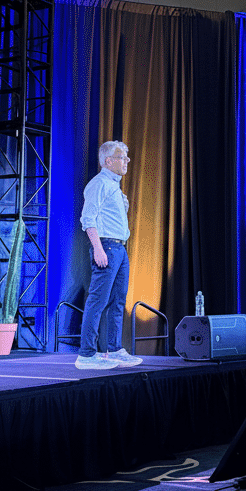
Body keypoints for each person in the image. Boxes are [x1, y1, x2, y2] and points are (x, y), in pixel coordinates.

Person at [75, 140, 143, 370]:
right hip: (107, 247)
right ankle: (86, 354)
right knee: (98, 300)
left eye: (127, 156)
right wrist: (98, 248)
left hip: (120, 247)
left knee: (117, 301)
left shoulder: (113, 186)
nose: (127, 160)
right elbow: (88, 218)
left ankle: (114, 349)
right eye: (121, 157)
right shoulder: (99, 184)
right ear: (108, 161)